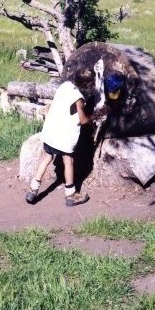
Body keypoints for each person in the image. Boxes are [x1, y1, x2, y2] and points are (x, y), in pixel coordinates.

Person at [26, 69, 105, 207]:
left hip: (51, 131)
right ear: (87, 84)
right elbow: (82, 120)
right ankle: (71, 194)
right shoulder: (78, 97)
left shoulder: (65, 86)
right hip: (64, 135)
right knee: (68, 161)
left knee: (47, 158)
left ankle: (33, 189)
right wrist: (95, 116)